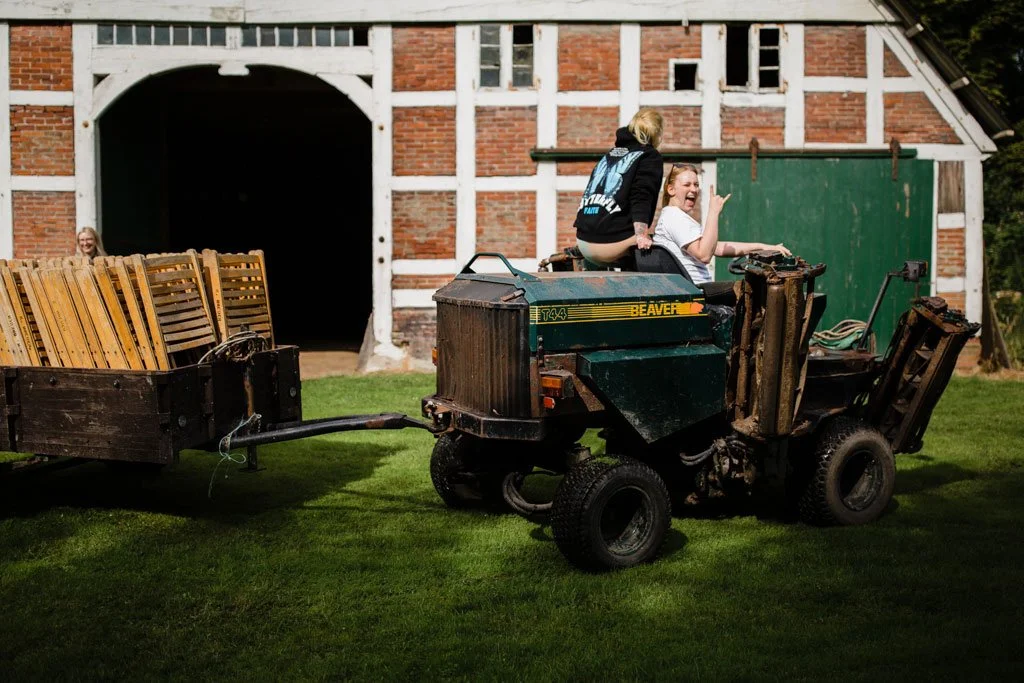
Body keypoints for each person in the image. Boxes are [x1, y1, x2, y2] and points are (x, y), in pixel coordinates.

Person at [641, 163, 790, 286]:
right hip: (696, 290)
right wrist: (713, 212)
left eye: (696, 184)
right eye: (687, 184)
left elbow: (716, 247)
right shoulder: (675, 217)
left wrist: (762, 247)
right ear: (671, 189)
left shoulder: (672, 217)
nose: (693, 189)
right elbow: (704, 255)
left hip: (695, 288)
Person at [574, 108, 664, 268]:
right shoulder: (649, 155)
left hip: (583, 240)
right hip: (610, 243)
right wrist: (641, 235)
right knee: (665, 245)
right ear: (657, 133)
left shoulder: (610, 155)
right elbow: (642, 195)